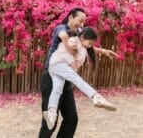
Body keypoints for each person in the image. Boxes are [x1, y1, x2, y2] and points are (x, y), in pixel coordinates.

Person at [39, 8, 117, 138]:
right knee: (50, 123)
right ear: (70, 18)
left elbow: (86, 45)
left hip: (66, 82)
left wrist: (103, 51)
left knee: (71, 119)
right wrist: (68, 45)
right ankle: (95, 97)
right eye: (80, 21)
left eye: (83, 22)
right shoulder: (60, 27)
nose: (81, 24)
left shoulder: (79, 32)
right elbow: (63, 35)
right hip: (51, 78)